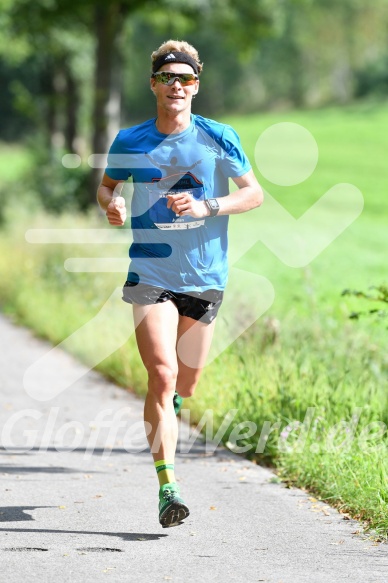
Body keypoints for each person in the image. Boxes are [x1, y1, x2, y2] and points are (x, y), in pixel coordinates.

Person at [97, 40, 263, 528]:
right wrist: (111, 203)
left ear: (196, 87)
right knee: (163, 374)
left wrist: (209, 206)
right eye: (168, 77)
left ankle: (168, 407)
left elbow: (253, 195)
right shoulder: (131, 140)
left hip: (205, 276)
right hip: (150, 271)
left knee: (185, 383)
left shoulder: (218, 136)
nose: (176, 86)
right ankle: (168, 488)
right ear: (153, 84)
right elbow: (108, 184)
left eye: (185, 79)